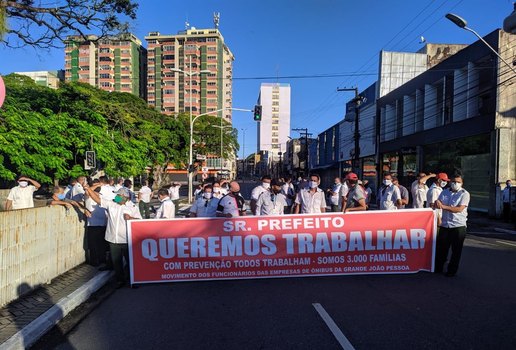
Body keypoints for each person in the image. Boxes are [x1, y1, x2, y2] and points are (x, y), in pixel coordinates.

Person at [83, 184, 142, 288]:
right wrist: (88, 189)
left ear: (125, 197)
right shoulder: (111, 204)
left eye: (118, 195)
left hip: (126, 239)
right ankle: (120, 281)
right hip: (112, 239)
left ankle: (133, 280)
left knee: (130, 262)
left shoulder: (133, 207)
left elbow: (140, 222)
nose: (116, 197)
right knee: (116, 262)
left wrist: (131, 218)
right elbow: (97, 199)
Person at [434, 175, 470, 277]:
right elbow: (439, 201)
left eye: (458, 182)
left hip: (458, 226)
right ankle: (438, 267)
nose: (455, 183)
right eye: (453, 181)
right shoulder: (445, 192)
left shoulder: (464, 194)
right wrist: (437, 202)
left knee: (456, 250)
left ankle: (452, 270)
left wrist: (443, 206)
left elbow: (459, 209)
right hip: (445, 225)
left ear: (462, 183)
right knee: (442, 248)